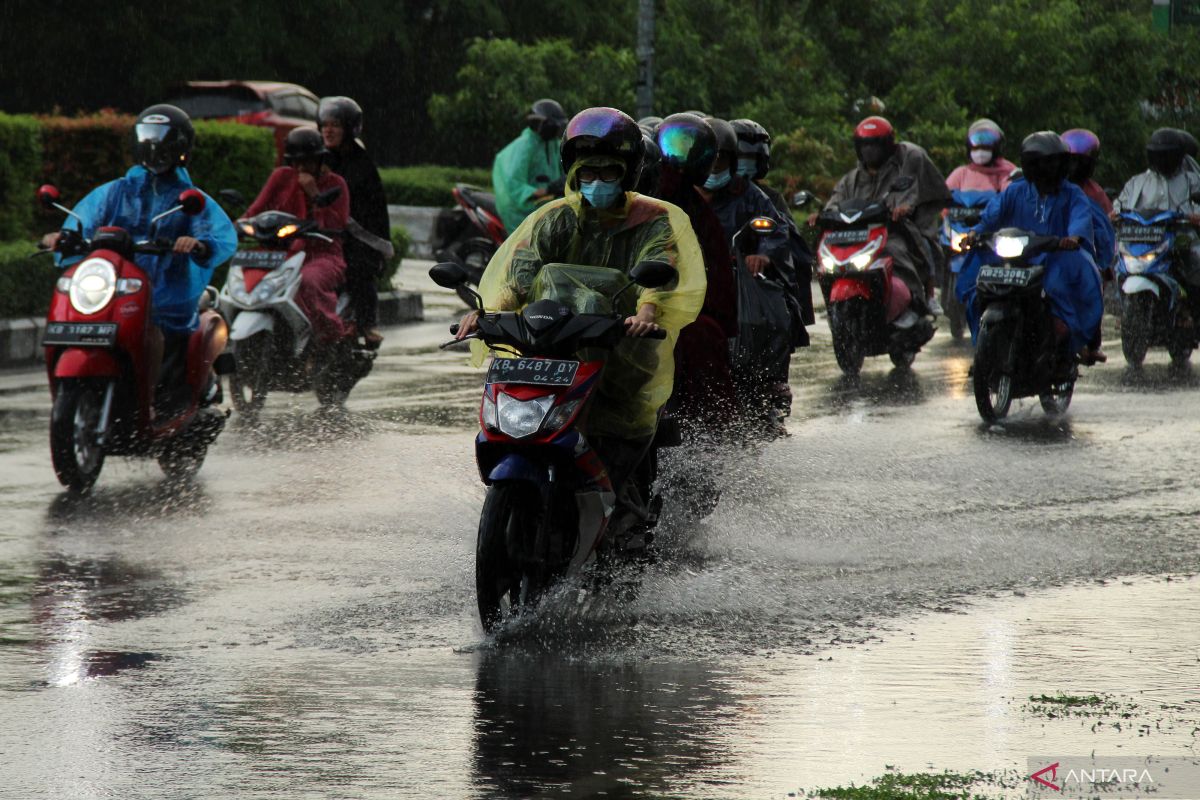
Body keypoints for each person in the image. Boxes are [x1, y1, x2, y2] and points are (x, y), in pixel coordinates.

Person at [458, 107, 706, 545]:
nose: (597, 180)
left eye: (608, 171)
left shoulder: (652, 219)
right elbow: (520, 273)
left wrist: (646, 312)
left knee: (618, 434)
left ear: (628, 173)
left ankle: (624, 506)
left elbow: (662, 269)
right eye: (587, 171)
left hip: (622, 344)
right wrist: (487, 311)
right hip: (553, 344)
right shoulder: (556, 219)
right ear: (573, 172)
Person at [42, 104, 237, 405]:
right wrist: (64, 237)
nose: (153, 145)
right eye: (147, 137)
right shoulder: (116, 192)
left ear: (180, 146)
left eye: (161, 138)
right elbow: (84, 220)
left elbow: (218, 234)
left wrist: (198, 244)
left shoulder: (189, 197)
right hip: (116, 288)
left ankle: (158, 399)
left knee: (155, 330)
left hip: (167, 293)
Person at [959, 131, 1105, 363]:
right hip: (1016, 257)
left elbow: (1080, 217)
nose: (1051, 168)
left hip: (1056, 256)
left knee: (1081, 278)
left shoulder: (1072, 193)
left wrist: (1073, 238)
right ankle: (984, 350)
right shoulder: (1016, 191)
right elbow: (991, 215)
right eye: (1045, 163)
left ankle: (1076, 340)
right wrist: (974, 233)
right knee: (977, 284)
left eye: (1055, 162)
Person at [653, 112, 739, 435]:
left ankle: (709, 436)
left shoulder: (699, 214)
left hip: (679, 315)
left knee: (701, 339)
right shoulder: (636, 200)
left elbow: (715, 289)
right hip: (621, 309)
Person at [815, 116, 951, 316]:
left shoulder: (906, 161)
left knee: (914, 245)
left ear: (887, 144)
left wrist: (904, 207)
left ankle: (924, 296)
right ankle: (834, 305)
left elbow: (910, 191)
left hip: (897, 226)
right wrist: (822, 215)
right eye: (865, 145)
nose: (869, 150)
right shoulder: (853, 177)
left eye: (875, 144)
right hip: (862, 233)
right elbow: (837, 200)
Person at [243, 127, 352, 345]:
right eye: (296, 163)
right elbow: (255, 210)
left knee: (307, 282)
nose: (301, 169)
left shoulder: (336, 184)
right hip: (282, 253)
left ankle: (329, 337)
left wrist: (315, 195)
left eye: (308, 162)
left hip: (322, 254)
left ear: (320, 160)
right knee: (246, 277)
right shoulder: (281, 177)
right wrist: (238, 226)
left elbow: (337, 223)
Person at [319, 95, 392, 348]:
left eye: (335, 125)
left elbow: (372, 212)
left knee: (358, 268)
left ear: (349, 129)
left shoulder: (362, 163)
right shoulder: (317, 157)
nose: (328, 130)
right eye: (324, 124)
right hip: (319, 232)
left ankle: (367, 322)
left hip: (356, 237)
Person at [730, 117, 816, 328]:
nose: (746, 166)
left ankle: (792, 324)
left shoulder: (770, 197)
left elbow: (785, 234)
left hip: (757, 272)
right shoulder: (709, 192)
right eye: (741, 158)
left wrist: (765, 255)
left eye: (751, 159)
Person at [1114, 127, 1200, 322]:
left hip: (1181, 238)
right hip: (1144, 238)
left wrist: (1194, 217)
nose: (1162, 160)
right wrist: (1114, 213)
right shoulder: (1138, 182)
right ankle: (1121, 305)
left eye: (1167, 155)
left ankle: (1193, 314)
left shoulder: (1193, 181)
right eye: (1158, 155)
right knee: (1118, 262)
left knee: (1197, 264)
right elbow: (1121, 202)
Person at [491, 99, 568, 234]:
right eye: (553, 127)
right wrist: (548, 189)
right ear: (541, 125)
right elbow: (515, 187)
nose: (556, 131)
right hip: (520, 213)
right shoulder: (523, 146)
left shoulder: (553, 144)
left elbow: (565, 168)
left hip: (546, 210)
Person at [1062, 128, 1116, 279]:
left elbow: (1106, 230)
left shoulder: (1096, 193)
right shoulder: (1048, 185)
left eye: (1081, 162)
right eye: (1071, 161)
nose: (1075, 167)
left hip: (1080, 253)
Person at [945, 119, 1016, 193]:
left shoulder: (1007, 173)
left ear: (997, 148)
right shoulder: (961, 173)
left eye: (986, 146)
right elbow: (943, 198)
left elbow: (1013, 196)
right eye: (976, 147)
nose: (980, 151)